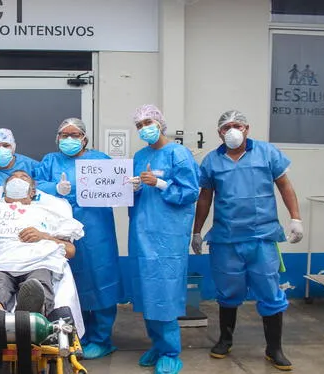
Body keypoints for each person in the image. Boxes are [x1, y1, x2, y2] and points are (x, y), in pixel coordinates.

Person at [191, 110, 303, 371]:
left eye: (237, 125)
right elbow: (205, 197)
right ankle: (225, 339)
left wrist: (295, 218)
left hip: (262, 237)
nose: (232, 130)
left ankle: (274, 348)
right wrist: (196, 231)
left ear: (247, 129)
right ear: (219, 132)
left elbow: (285, 186)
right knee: (227, 292)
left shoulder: (266, 153)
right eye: (226, 127)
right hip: (226, 239)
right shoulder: (211, 161)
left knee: (270, 292)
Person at [35, 118, 122, 360]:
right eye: (64, 135)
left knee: (100, 278)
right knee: (69, 283)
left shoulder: (101, 160)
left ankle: (102, 339)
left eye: (75, 134)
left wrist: (130, 185)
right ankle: (74, 335)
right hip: (60, 231)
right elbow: (36, 185)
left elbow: (119, 184)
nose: (69, 139)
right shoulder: (50, 161)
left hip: (97, 230)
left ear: (84, 138)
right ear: (57, 138)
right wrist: (55, 188)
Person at [129, 104, 200, 374]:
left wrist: (159, 184)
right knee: (148, 291)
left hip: (168, 235)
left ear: (160, 123)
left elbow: (190, 192)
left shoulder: (178, 154)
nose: (143, 128)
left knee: (165, 291)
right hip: (141, 231)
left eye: (148, 121)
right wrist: (133, 188)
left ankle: (171, 351)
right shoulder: (139, 155)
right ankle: (157, 345)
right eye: (139, 125)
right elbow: (134, 192)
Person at [0, 171, 80, 315]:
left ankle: (35, 308)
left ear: (33, 192)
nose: (17, 179)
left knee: (37, 283)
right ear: (4, 191)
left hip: (37, 261)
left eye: (24, 178)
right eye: (12, 178)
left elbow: (70, 250)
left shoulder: (48, 213)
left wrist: (44, 236)